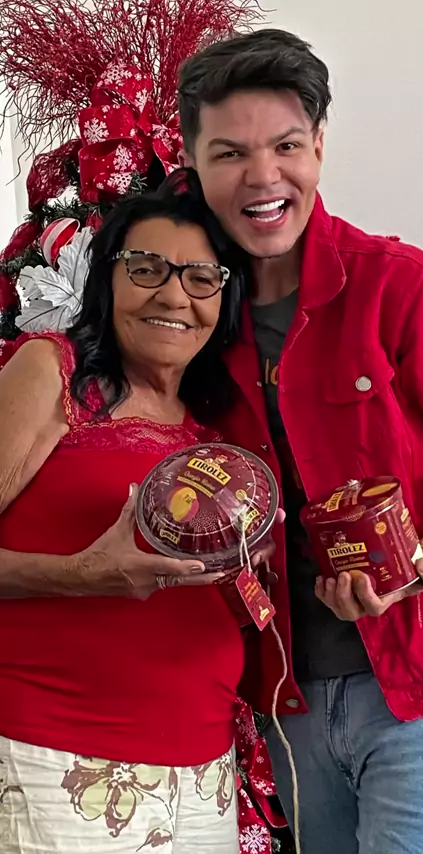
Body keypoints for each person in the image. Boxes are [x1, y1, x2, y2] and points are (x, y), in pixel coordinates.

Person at [177, 28, 423, 854]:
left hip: (419, 689)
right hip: (286, 699)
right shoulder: (191, 321)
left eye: (285, 146)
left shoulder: (403, 289)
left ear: (318, 147)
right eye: (231, 153)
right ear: (193, 164)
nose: (263, 177)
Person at [0, 168, 258, 854]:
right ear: (107, 280)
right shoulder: (52, 372)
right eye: (146, 268)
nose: (173, 295)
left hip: (204, 771)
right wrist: (83, 576)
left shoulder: (212, 429)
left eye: (201, 278)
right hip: (56, 757)